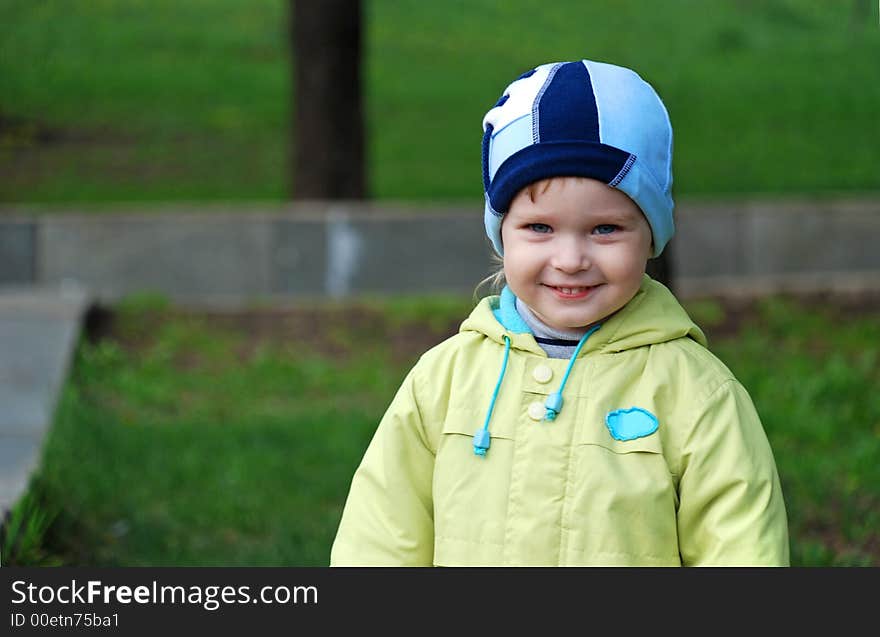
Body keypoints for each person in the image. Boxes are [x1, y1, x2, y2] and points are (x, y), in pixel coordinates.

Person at [330, 59, 790, 566]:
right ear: (501, 233)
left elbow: (743, 550)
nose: (570, 260)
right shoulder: (443, 381)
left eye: (605, 230)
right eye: (540, 229)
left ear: (651, 236)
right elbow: (378, 540)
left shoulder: (696, 393)